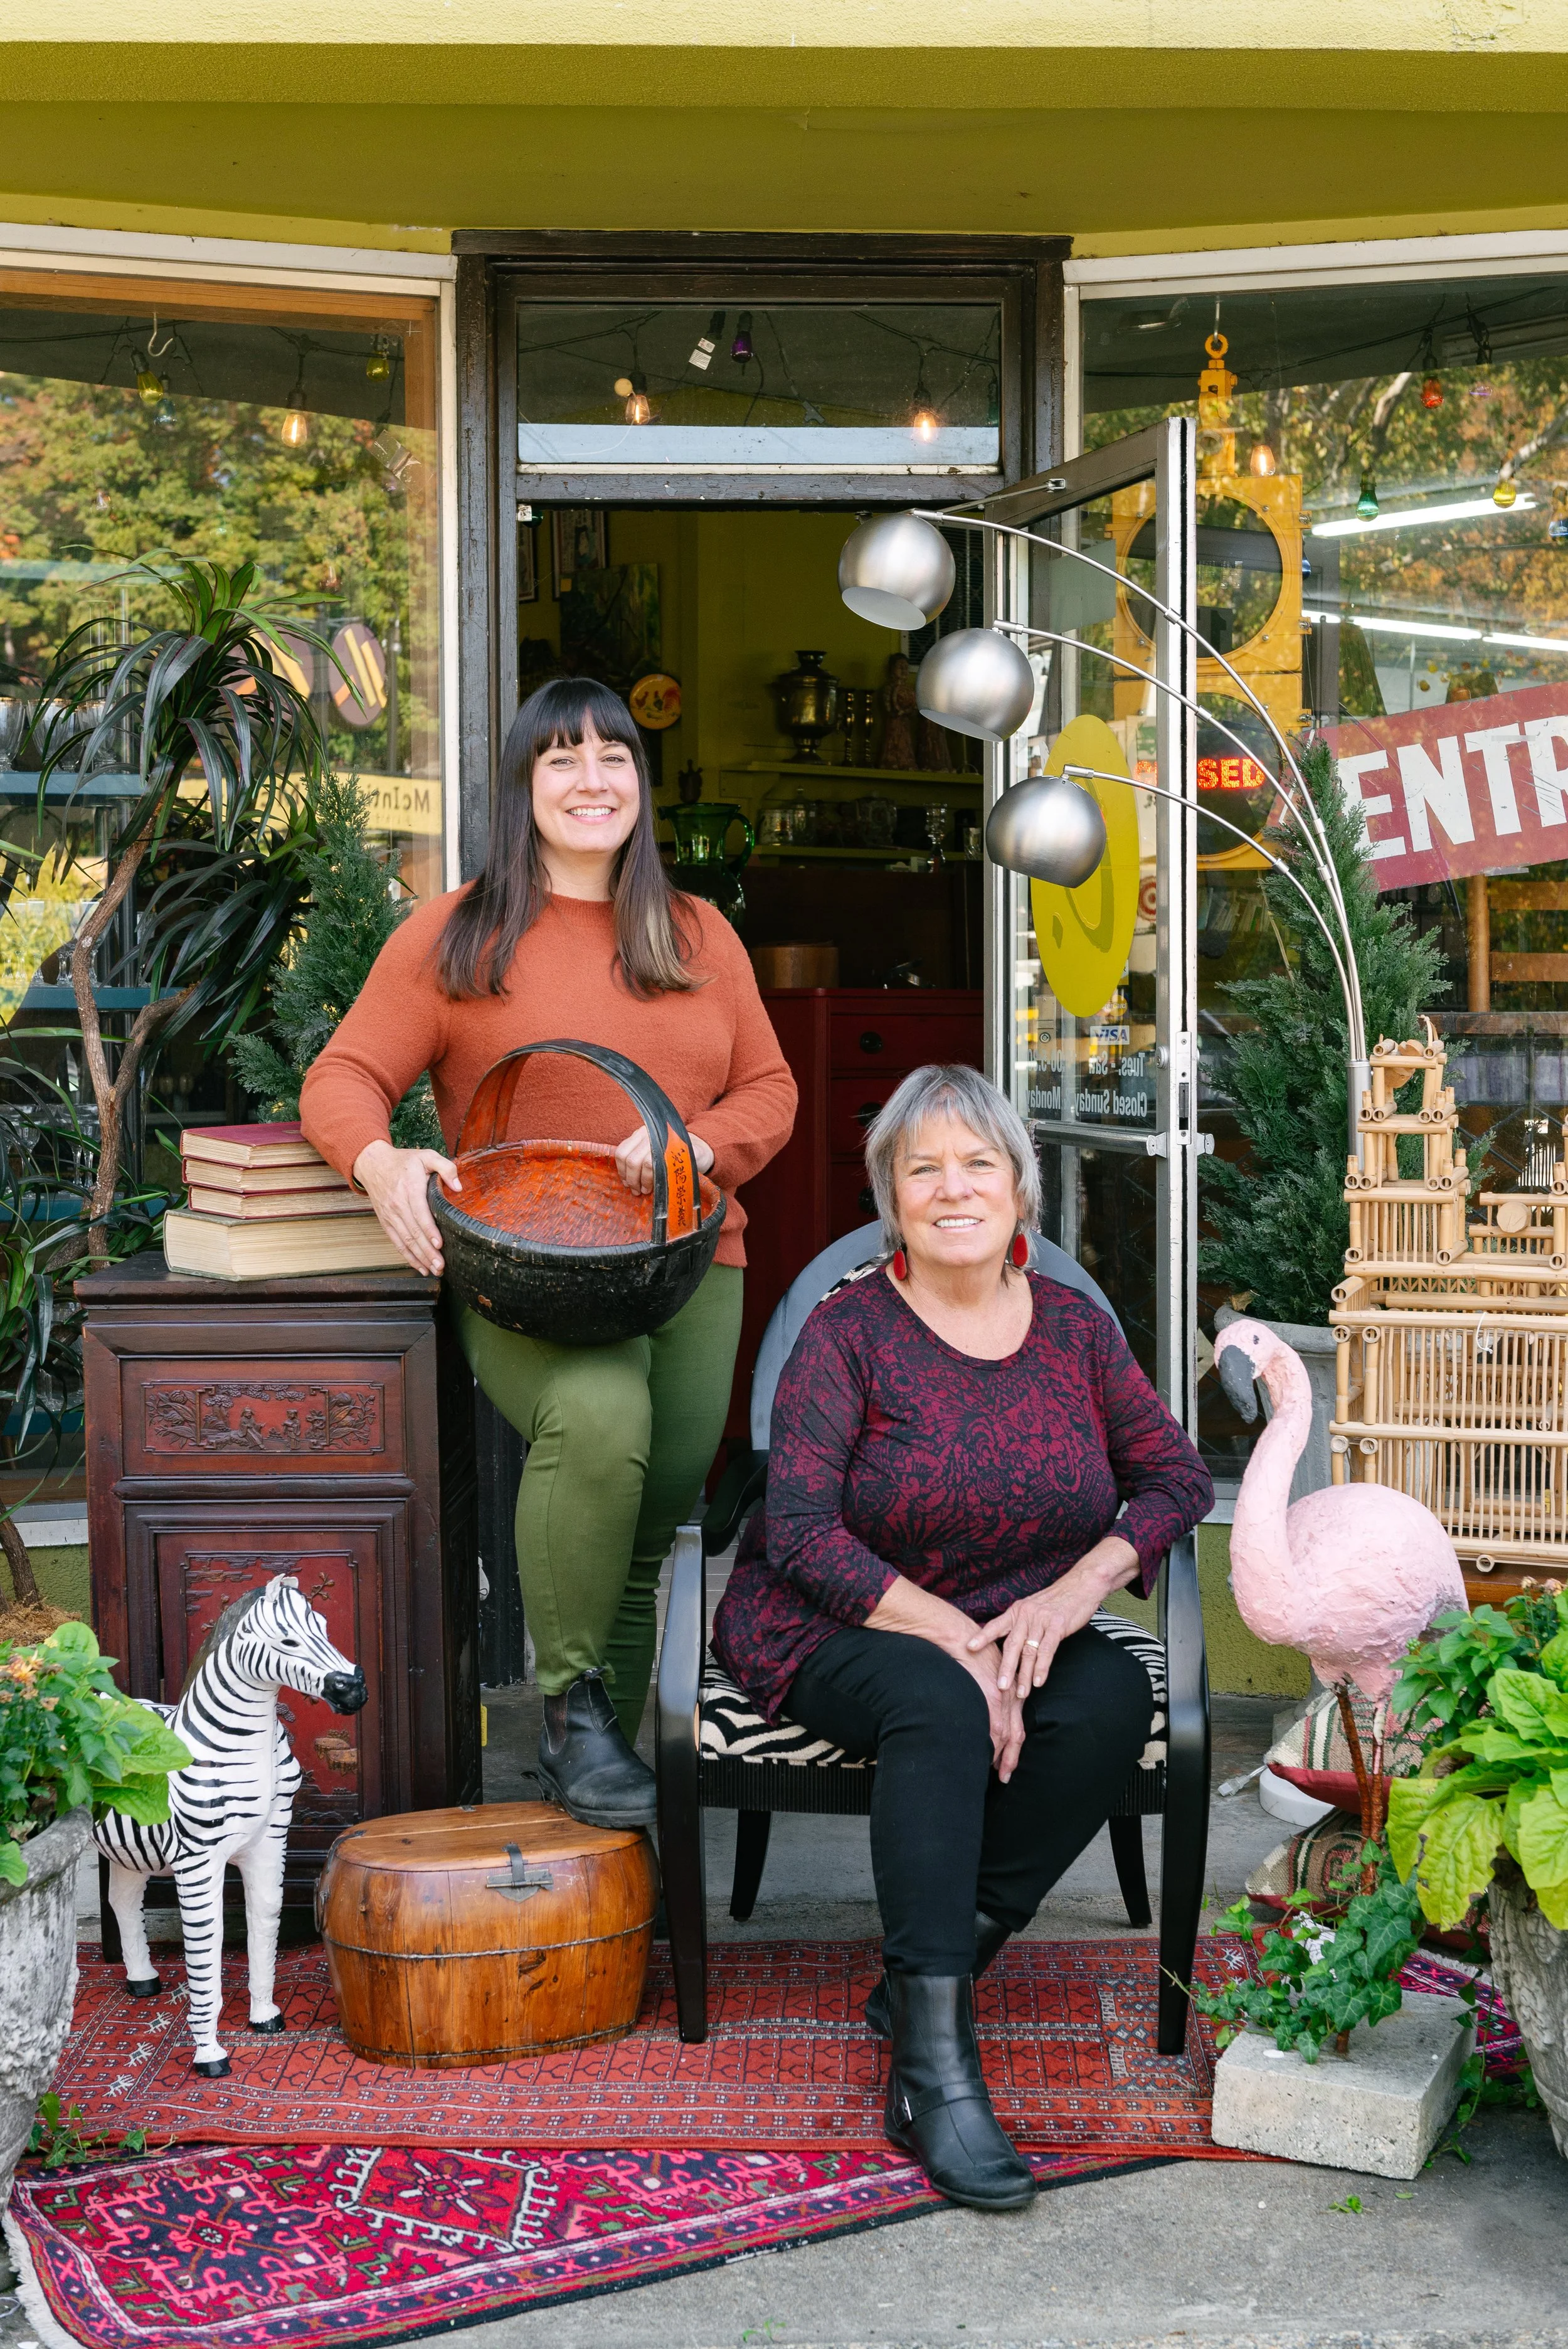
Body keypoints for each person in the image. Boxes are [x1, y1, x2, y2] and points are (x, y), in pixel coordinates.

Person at [712, 1063, 1210, 2212]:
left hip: (1022, 1610)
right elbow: (793, 1528)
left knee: (1105, 1701)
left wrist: (1075, 1593)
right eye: (921, 1166)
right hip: (840, 1615)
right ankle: (933, 2069)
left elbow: (1177, 1476)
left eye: (978, 1163)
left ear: (1020, 1192)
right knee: (936, 1704)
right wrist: (956, 1640)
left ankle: (935, 1962)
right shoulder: (849, 1334)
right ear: (890, 1194)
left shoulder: (1078, 1333)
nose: (952, 1188)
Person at [300, 677, 796, 1830]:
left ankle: (599, 1790)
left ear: (640, 783)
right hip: (526, 1272)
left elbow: (767, 1091)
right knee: (598, 1419)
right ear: (524, 787)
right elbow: (343, 1077)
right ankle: (571, 1710)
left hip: (687, 1261)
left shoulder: (696, 932)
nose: (591, 781)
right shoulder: (459, 932)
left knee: (646, 1519)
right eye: (561, 760)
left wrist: (695, 1142)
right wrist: (380, 1165)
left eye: (613, 759)